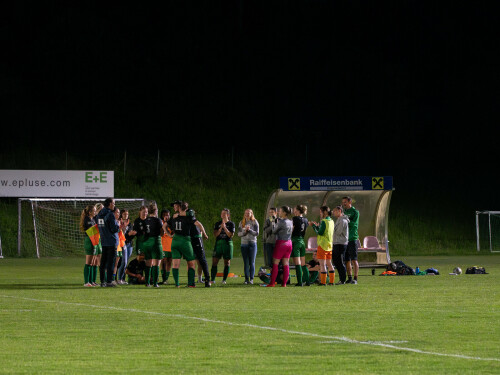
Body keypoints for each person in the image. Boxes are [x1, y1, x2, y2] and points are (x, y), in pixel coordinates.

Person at [96, 198, 123, 287]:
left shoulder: (99, 214)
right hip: (111, 241)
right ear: (109, 204)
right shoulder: (110, 214)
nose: (114, 205)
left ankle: (102, 281)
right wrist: (119, 226)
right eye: (113, 203)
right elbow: (113, 229)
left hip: (104, 240)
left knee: (103, 262)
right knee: (111, 262)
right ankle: (109, 281)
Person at [170, 202, 197, 288]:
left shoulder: (174, 217)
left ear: (179, 207)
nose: (174, 207)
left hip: (175, 241)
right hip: (185, 241)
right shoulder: (188, 217)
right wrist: (204, 232)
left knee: (175, 264)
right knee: (191, 262)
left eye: (175, 206)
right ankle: (191, 283)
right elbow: (195, 218)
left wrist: (170, 234)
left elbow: (165, 225)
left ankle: (177, 284)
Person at [267, 206, 293, 287]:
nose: (279, 212)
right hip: (289, 242)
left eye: (280, 211)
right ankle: (284, 283)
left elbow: (274, 231)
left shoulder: (281, 222)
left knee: (275, 263)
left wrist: (274, 222)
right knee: (286, 263)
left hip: (281, 243)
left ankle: (272, 283)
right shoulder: (290, 221)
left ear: (285, 213)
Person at [309, 206, 335, 286]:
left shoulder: (324, 221)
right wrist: (317, 227)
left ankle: (323, 282)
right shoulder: (331, 221)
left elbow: (320, 233)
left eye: (320, 212)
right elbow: (324, 231)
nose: (320, 213)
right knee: (329, 263)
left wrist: (313, 226)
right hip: (329, 245)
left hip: (322, 245)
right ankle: (331, 281)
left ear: (325, 212)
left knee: (322, 264)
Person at [210, 208, 235, 285]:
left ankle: (224, 280)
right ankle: (213, 279)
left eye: (224, 214)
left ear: (228, 215)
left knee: (227, 262)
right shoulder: (217, 224)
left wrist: (225, 227)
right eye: (222, 213)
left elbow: (230, 235)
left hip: (227, 243)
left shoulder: (231, 224)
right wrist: (221, 228)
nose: (222, 215)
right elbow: (215, 234)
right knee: (214, 261)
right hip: (218, 243)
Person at [187, 208, 211, 288]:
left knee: (202, 260)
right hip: (190, 239)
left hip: (196, 239)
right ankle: (191, 281)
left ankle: (207, 280)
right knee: (191, 261)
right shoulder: (183, 218)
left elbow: (199, 224)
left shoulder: (191, 218)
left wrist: (204, 234)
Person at [143, 203, 164, 287]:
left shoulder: (145, 220)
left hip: (146, 242)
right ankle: (155, 283)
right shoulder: (158, 220)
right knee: (156, 263)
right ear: (155, 211)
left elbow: (144, 232)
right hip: (155, 241)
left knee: (148, 263)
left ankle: (147, 282)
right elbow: (162, 232)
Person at [238, 208, 259, 285]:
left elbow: (257, 233)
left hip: (252, 243)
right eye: (246, 213)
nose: (247, 214)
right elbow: (239, 234)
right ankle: (246, 279)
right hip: (244, 244)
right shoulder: (241, 222)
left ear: (251, 214)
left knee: (252, 262)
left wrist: (249, 230)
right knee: (246, 262)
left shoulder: (254, 222)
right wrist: (244, 232)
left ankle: (252, 279)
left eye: (249, 213)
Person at [342, 196, 360, 284]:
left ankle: (355, 279)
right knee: (347, 260)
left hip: (352, 238)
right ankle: (349, 278)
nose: (343, 204)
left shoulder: (355, 212)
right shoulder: (344, 212)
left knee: (354, 259)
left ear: (350, 202)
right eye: (343, 202)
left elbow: (354, 224)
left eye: (345, 202)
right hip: (345, 239)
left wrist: (346, 220)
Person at [291, 205, 309, 286]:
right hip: (302, 241)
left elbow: (292, 229)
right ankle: (307, 281)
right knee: (303, 263)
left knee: (297, 263)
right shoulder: (305, 220)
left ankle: (300, 282)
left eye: (295, 209)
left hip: (295, 241)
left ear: (298, 211)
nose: (294, 211)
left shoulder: (294, 219)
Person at [332, 205, 349, 285]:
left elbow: (338, 232)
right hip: (336, 242)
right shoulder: (338, 220)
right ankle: (341, 278)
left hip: (341, 243)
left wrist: (331, 230)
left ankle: (342, 279)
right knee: (336, 261)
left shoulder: (342, 221)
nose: (333, 212)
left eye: (335, 211)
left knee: (340, 261)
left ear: (339, 211)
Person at [80, 205, 96, 287]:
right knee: (88, 262)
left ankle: (91, 281)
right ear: (90, 212)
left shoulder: (93, 219)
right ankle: (86, 282)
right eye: (94, 211)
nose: (95, 212)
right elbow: (90, 230)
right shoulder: (87, 219)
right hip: (89, 240)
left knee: (93, 262)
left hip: (93, 240)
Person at [118, 209, 134, 284]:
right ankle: (119, 278)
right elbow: (121, 235)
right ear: (121, 214)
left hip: (128, 244)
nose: (126, 215)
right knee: (121, 262)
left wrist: (131, 234)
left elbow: (131, 234)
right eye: (124, 214)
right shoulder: (119, 222)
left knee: (125, 262)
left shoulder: (129, 224)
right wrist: (128, 234)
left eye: (127, 214)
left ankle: (122, 279)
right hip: (121, 244)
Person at [91, 203, 104, 286]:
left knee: (98, 261)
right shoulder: (94, 218)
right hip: (95, 239)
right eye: (101, 209)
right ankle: (91, 280)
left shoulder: (100, 217)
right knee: (93, 260)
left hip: (100, 240)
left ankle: (94, 281)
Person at [160, 209, 173, 284]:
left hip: (171, 245)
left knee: (169, 261)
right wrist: (164, 224)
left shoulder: (172, 223)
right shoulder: (161, 223)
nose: (166, 216)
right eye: (165, 215)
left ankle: (166, 279)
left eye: (167, 215)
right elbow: (161, 234)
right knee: (163, 261)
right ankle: (163, 278)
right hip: (163, 245)